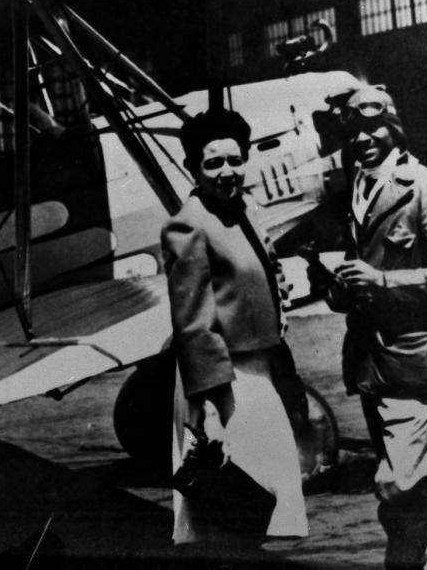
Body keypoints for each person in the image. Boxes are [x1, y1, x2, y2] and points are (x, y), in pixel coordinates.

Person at [308, 84, 427, 570]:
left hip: (417, 363)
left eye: (372, 126)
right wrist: (336, 283)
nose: (362, 138)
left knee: (398, 485)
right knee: (421, 487)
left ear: (394, 126)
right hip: (371, 367)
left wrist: (381, 281)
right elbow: (351, 283)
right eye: (351, 130)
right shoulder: (353, 194)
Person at [162, 109, 308, 544]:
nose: (228, 172)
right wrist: (208, 409)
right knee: (238, 501)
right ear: (192, 168)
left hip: (257, 372)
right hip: (224, 384)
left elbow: (263, 274)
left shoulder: (244, 209)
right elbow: (193, 324)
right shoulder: (187, 224)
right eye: (213, 163)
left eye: (236, 160)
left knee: (263, 500)